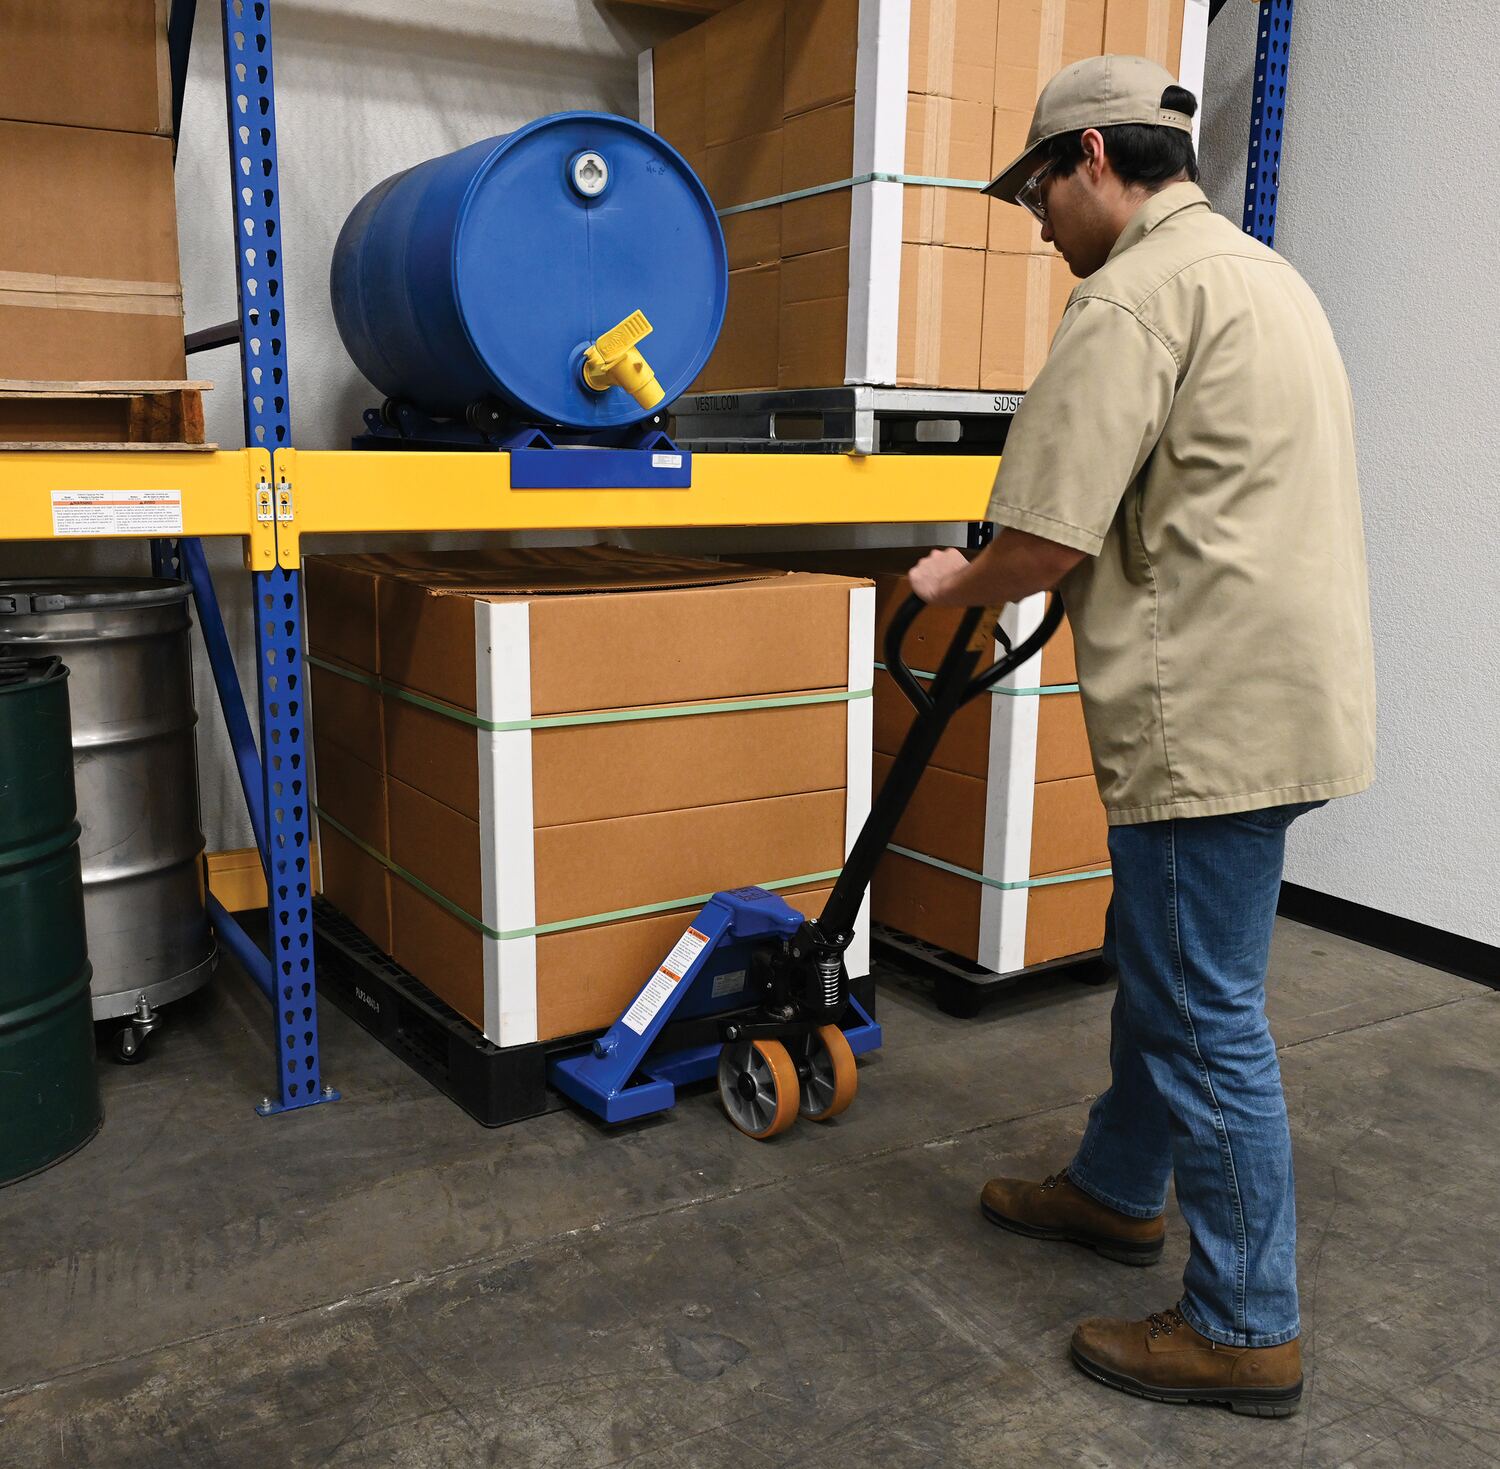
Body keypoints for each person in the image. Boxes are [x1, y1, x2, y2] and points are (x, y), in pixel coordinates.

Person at [908, 54, 1376, 1418]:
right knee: (1167, 965)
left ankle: (1245, 1325)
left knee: (1203, 1013)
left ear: (1096, 159)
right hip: (1285, 696)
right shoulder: (1262, 277)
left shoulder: (1130, 296)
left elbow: (1044, 540)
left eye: (1038, 192)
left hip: (1206, 713)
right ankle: (1118, 1188)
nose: (1039, 222)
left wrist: (953, 580)